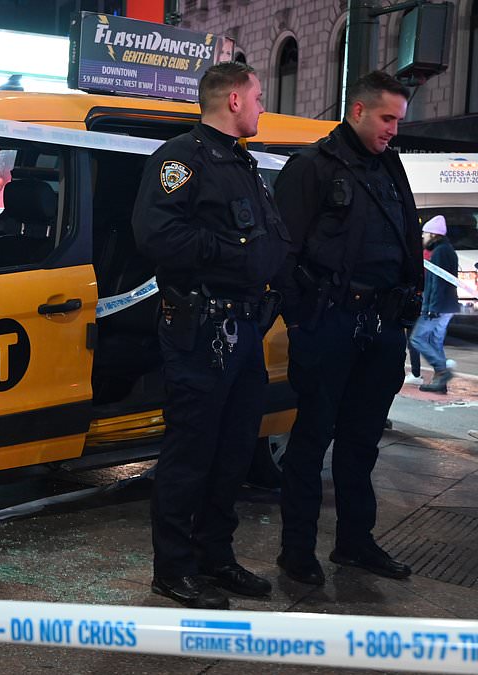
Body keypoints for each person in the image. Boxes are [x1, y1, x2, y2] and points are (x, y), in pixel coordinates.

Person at [132, 62, 286, 610]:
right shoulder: (182, 159)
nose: (264, 106)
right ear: (235, 102)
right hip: (201, 330)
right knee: (191, 452)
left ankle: (216, 557)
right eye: (260, 97)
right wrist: (236, 258)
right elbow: (158, 235)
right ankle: (173, 570)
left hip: (243, 329)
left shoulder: (241, 163)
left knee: (233, 450)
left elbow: (269, 239)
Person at [272, 71, 422, 586]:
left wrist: (407, 311)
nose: (393, 130)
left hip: (381, 325)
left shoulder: (389, 166)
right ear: (357, 111)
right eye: (386, 118)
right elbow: (283, 254)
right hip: (330, 321)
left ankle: (355, 543)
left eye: (398, 121)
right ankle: (297, 551)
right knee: (312, 439)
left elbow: (406, 235)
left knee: (362, 442)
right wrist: (303, 321)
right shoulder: (311, 167)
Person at [412, 215, 460, 393]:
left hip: (437, 307)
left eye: (425, 234)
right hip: (446, 306)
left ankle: (442, 370)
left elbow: (437, 283)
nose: (423, 237)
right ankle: (441, 382)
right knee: (435, 341)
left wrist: (432, 307)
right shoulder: (447, 249)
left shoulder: (440, 252)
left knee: (417, 338)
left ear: (433, 235)